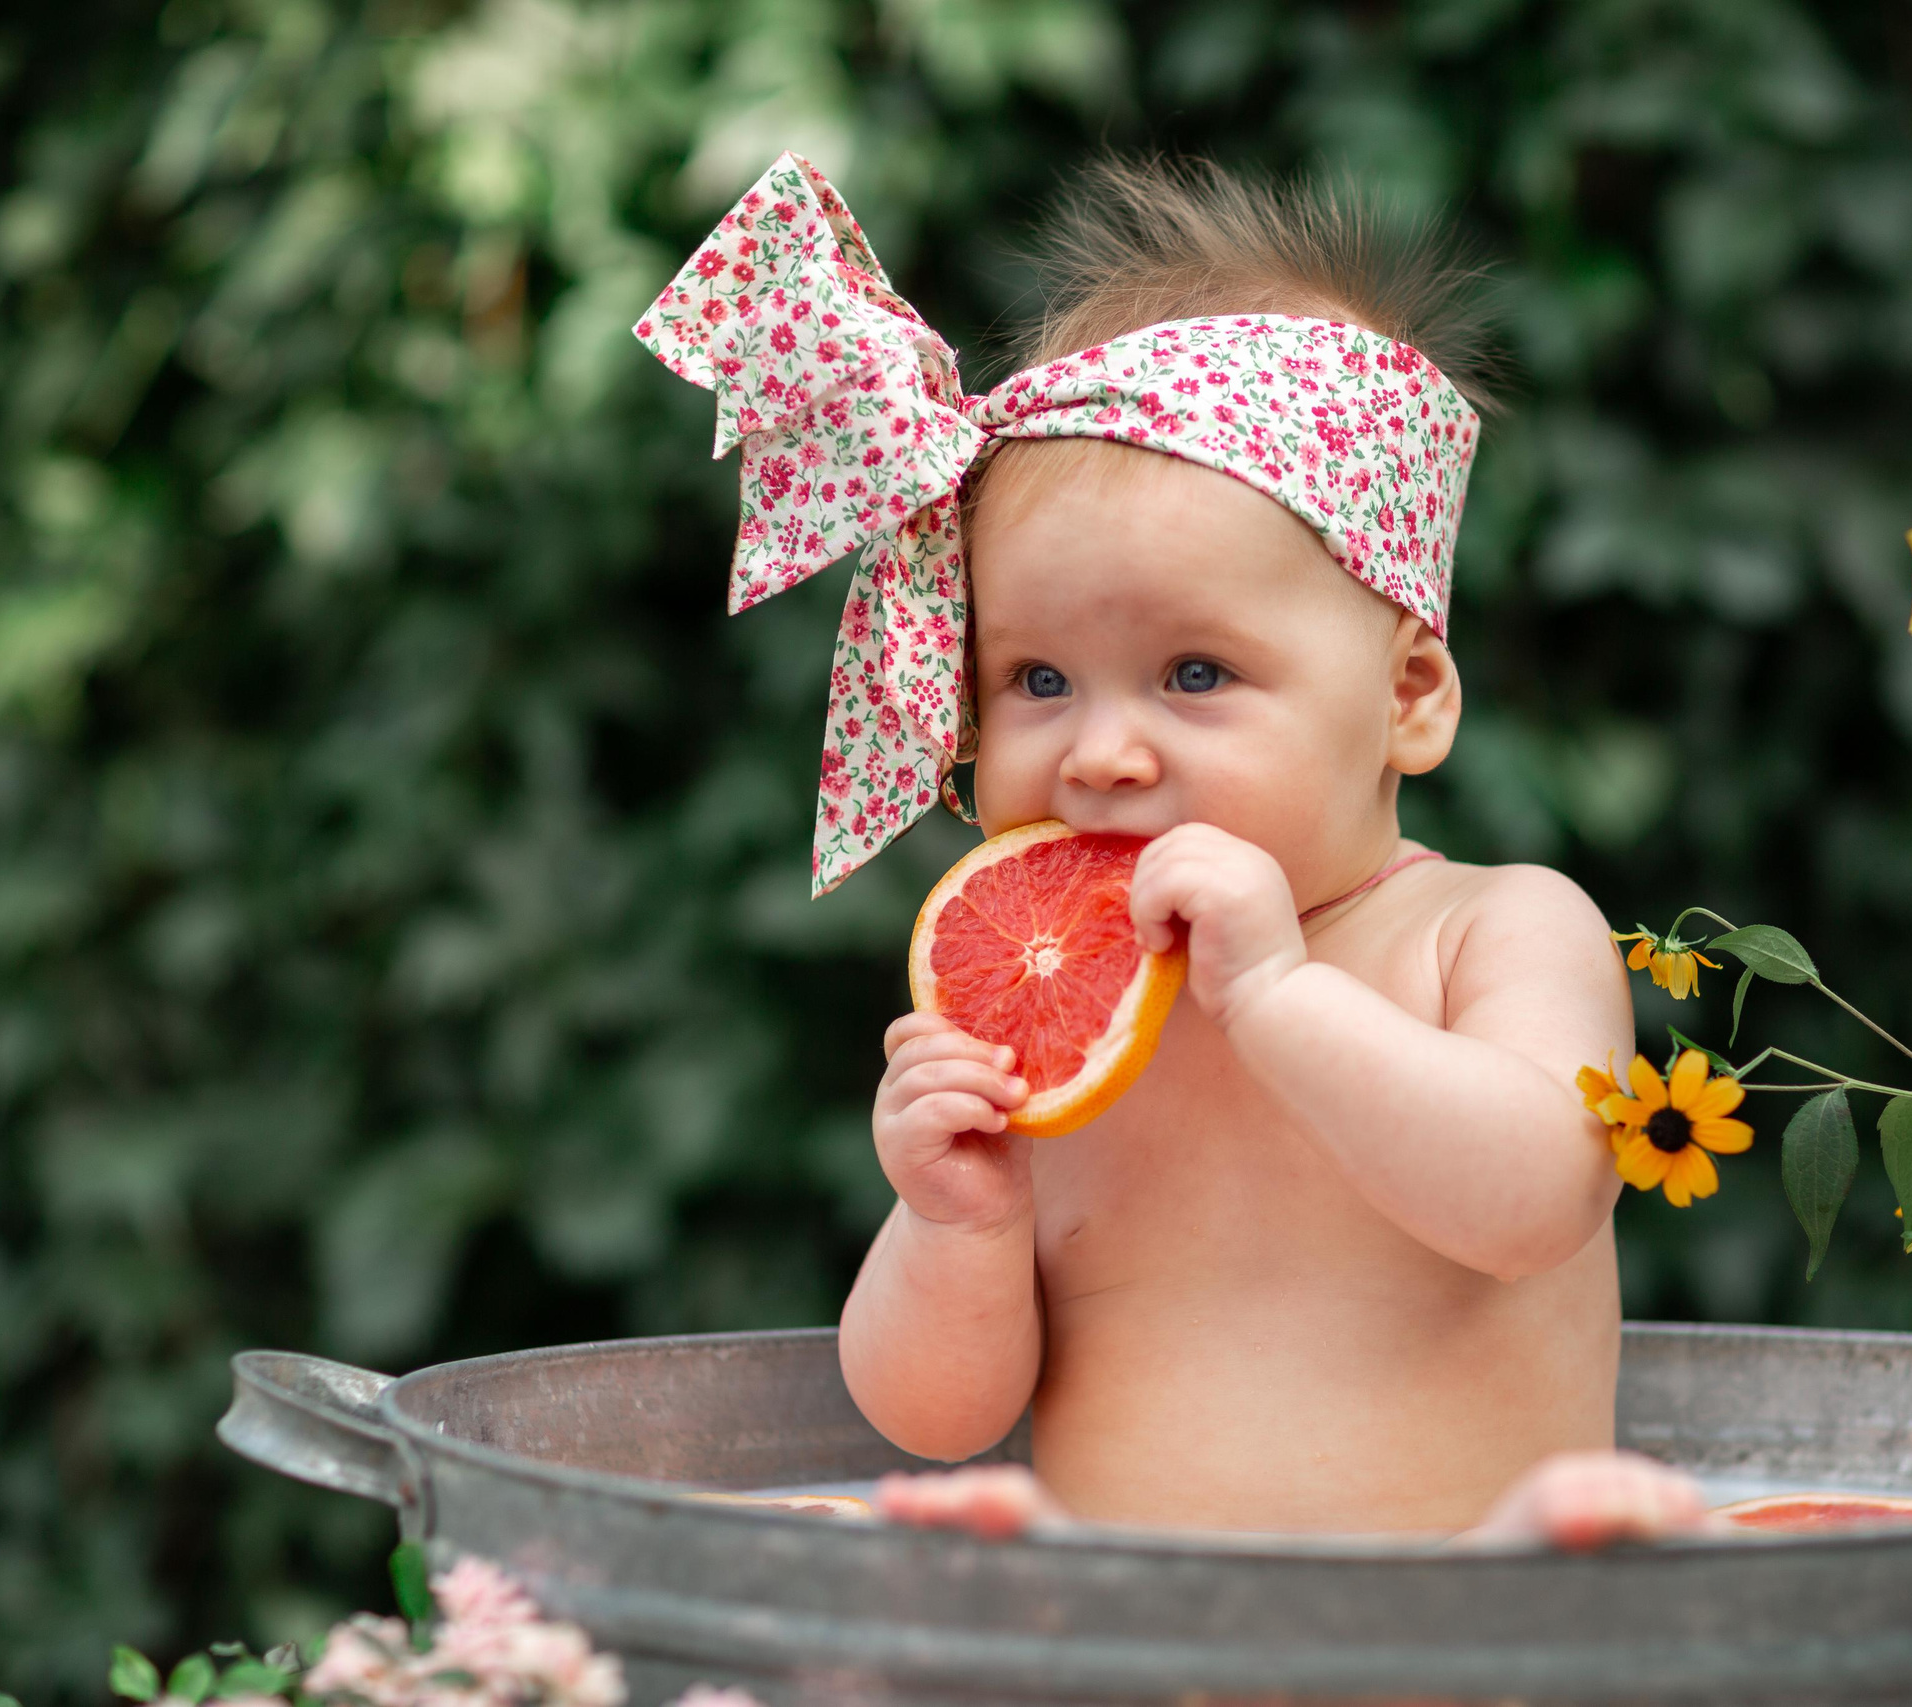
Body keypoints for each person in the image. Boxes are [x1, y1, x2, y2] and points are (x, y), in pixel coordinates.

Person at [636, 149, 1707, 1547]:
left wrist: (1276, 996)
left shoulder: (1491, 930)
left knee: (1549, 1567)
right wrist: (955, 1225)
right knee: (956, 1539)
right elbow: (931, 1415)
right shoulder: (1051, 1023)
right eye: (1037, 682)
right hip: (1136, 1647)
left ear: (1408, 698)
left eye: (1196, 675)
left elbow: (1535, 1196)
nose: (1101, 753)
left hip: (1466, 1629)